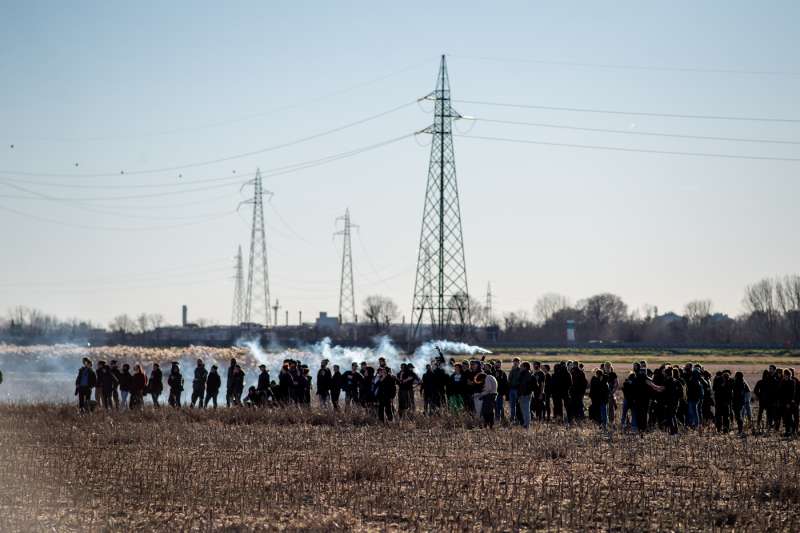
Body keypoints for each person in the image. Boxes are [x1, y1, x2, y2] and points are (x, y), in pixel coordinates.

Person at [732, 371, 752, 435]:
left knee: (743, 411)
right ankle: (744, 423)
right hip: (742, 399)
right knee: (742, 411)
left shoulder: (738, 382)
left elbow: (739, 393)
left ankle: (743, 425)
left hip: (742, 398)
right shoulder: (742, 381)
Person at [517, 362, 533, 429]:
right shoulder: (524, 374)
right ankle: (525, 423)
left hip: (525, 394)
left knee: (526, 410)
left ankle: (527, 424)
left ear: (525, 367)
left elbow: (525, 385)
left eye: (521, 366)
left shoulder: (526, 374)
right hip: (523, 394)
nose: (520, 367)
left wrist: (522, 393)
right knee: (524, 410)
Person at [507, 358, 521, 423]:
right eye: (514, 362)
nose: (515, 363)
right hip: (511, 389)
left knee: (518, 405)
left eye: (516, 362)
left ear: (519, 362)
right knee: (512, 405)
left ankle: (518, 418)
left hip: (517, 390)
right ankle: (512, 418)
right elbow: (509, 379)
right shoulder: (512, 370)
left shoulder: (520, 370)